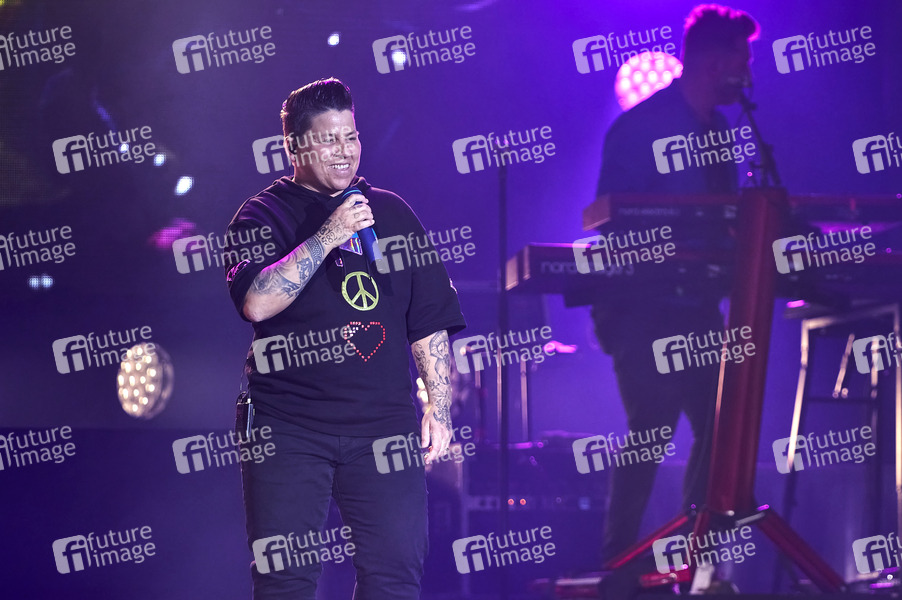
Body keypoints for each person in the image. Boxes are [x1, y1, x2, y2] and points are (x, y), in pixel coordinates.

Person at [223, 77, 466, 599]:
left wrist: (439, 408)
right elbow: (256, 301)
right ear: (294, 147)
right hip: (288, 425)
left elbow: (428, 319)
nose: (344, 151)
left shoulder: (392, 213)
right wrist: (330, 234)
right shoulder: (263, 214)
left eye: (351, 136)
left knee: (396, 576)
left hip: (383, 428)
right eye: (328, 139)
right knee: (285, 581)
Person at [591, 5, 759, 563]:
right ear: (715, 65)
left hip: (699, 308)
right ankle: (619, 567)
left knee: (719, 433)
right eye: (742, 61)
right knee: (650, 431)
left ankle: (697, 562)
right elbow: (611, 218)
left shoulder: (720, 132)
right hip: (642, 308)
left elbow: (723, 217)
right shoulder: (640, 128)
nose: (748, 73)